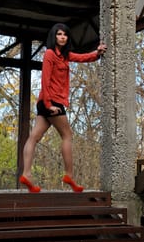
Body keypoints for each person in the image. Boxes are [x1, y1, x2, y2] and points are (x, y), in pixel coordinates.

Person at [19, 23, 107, 193]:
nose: (62, 37)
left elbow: (82, 57)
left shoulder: (65, 56)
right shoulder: (50, 54)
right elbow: (45, 80)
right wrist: (48, 105)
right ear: (54, 36)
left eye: (65, 35)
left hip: (49, 103)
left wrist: (97, 53)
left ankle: (26, 175)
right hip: (52, 102)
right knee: (67, 136)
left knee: (34, 138)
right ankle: (69, 175)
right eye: (59, 34)